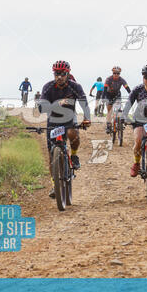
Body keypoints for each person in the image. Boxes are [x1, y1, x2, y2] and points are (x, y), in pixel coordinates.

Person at [39, 60, 91, 198]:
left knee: (73, 133)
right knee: (52, 156)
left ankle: (73, 155)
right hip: (53, 120)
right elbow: (41, 108)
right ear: (54, 74)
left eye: (62, 74)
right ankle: (55, 185)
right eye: (57, 74)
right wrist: (57, 104)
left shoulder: (75, 86)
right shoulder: (48, 87)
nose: (59, 77)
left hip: (69, 118)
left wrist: (87, 118)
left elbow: (84, 102)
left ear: (68, 74)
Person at [103, 67, 131, 133]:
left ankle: (120, 122)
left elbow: (127, 88)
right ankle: (108, 126)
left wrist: (131, 95)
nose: (116, 74)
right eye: (114, 73)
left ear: (119, 74)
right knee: (109, 111)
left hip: (117, 95)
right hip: (108, 94)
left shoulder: (122, 80)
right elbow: (105, 89)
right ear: (112, 73)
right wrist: (104, 98)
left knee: (119, 110)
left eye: (117, 73)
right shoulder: (108, 79)